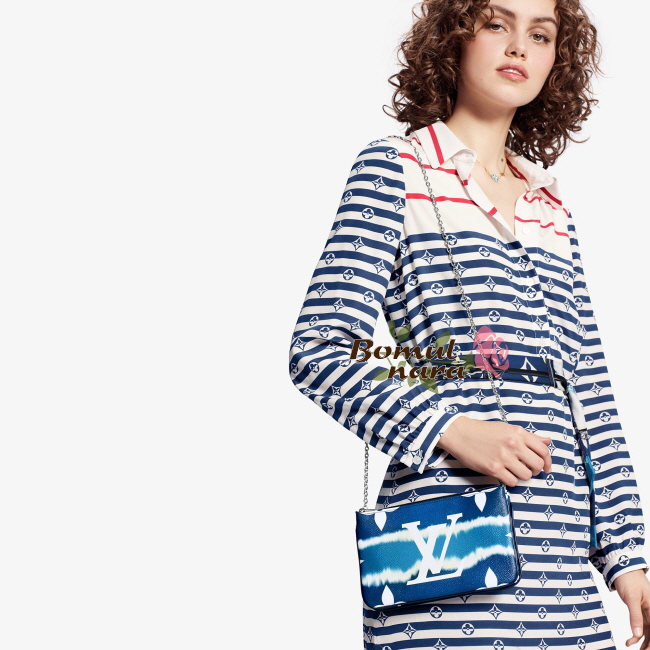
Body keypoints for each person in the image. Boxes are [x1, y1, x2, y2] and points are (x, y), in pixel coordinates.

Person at [288, 0, 650, 647]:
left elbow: (590, 392)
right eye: (496, 24)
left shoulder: (550, 208)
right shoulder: (396, 170)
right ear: (455, 35)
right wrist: (452, 429)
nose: (518, 47)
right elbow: (320, 350)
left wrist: (627, 556)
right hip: (449, 547)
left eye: (541, 34)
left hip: (563, 567)